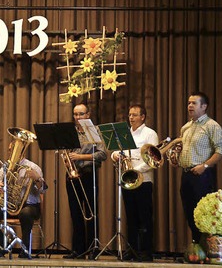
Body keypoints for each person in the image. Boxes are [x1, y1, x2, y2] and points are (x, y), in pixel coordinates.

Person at [178, 91, 222, 242]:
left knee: (203, 214)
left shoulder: (211, 125)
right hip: (186, 174)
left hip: (202, 175)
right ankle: (196, 246)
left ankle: (207, 249)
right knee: (189, 212)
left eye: (194, 103)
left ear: (204, 106)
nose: (190, 106)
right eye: (189, 103)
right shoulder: (185, 127)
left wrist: (205, 165)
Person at [0, 141, 47, 258]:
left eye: (13, 150)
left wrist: (37, 178)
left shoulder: (33, 167)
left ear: (22, 151)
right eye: (10, 150)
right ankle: (2, 245)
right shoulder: (6, 166)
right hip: (9, 205)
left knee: (25, 214)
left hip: (30, 206)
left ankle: (25, 249)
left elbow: (42, 190)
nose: (11, 152)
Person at [111, 105, 158, 262]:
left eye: (135, 115)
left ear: (143, 117)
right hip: (127, 179)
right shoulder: (125, 133)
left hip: (143, 180)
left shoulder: (150, 134)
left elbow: (152, 158)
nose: (131, 118)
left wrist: (135, 171)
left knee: (144, 217)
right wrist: (114, 156)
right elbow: (115, 151)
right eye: (130, 114)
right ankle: (132, 249)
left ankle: (146, 251)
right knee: (131, 217)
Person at [64, 103, 107, 259]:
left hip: (88, 174)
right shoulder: (71, 132)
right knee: (75, 214)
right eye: (75, 114)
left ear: (88, 115)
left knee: (91, 213)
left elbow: (102, 155)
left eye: (81, 114)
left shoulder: (95, 132)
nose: (77, 117)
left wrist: (80, 157)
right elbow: (67, 152)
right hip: (72, 175)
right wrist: (68, 160)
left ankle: (93, 249)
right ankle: (78, 250)